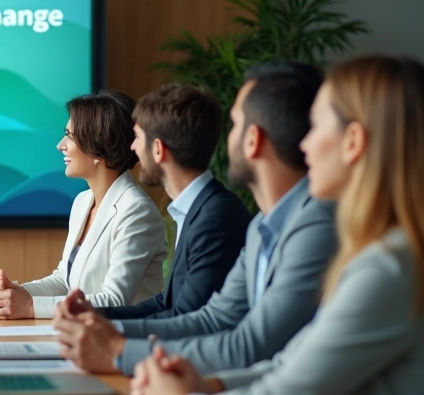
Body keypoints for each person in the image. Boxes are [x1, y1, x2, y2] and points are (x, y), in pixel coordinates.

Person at [134, 55, 424, 395]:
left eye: (316, 126)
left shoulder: (390, 269)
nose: (303, 145)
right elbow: (288, 366)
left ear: (353, 142)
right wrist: (210, 386)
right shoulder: (379, 254)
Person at [52, 62, 335, 375]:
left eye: (235, 124)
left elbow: (246, 343)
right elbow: (211, 317)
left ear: (253, 140)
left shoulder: (243, 219)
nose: (132, 148)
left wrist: (118, 350)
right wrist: (103, 325)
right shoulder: (259, 226)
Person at [0, 90, 167, 318]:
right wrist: (14, 294)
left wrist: (31, 307)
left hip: (123, 336)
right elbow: (65, 280)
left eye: (69, 136)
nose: (60, 145)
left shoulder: (137, 211)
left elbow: (114, 301)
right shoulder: (83, 202)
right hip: (82, 332)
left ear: (98, 145)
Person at [101, 84, 250, 321]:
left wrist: (107, 328)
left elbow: (187, 317)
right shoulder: (198, 208)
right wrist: (96, 315)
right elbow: (168, 302)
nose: (132, 147)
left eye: (137, 137)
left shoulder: (214, 219)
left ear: (158, 149)